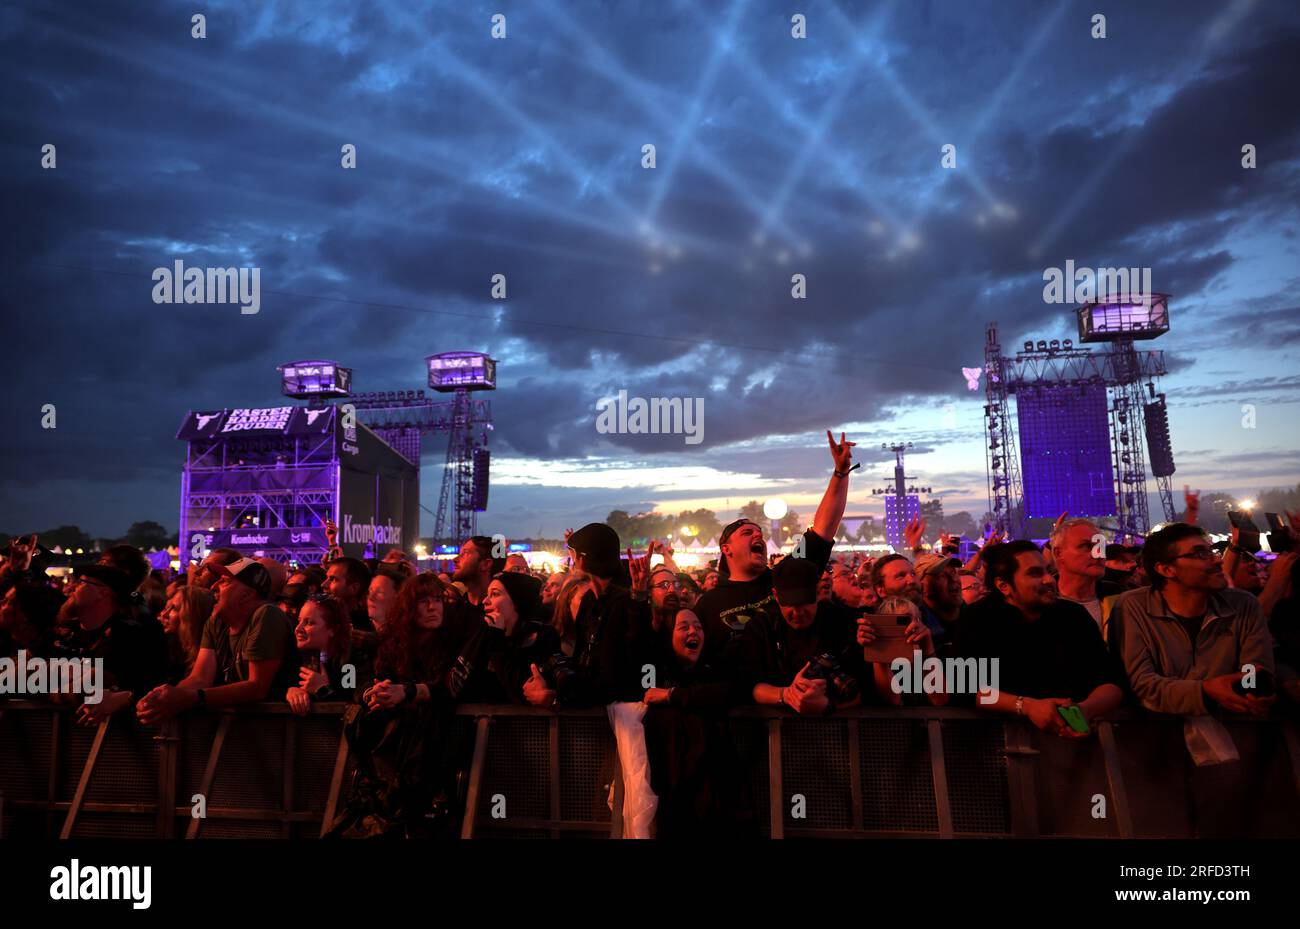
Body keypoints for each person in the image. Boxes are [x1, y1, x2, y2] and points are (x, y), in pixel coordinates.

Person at [695, 431, 857, 664]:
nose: (758, 535)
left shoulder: (787, 576)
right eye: (747, 533)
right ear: (726, 549)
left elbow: (823, 530)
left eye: (760, 532)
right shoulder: (709, 604)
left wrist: (840, 473)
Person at [329, 574, 472, 838]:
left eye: (438, 600)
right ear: (408, 608)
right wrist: (373, 692)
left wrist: (405, 692)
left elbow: (449, 689)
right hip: (386, 767)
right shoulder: (393, 645)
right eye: (423, 601)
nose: (432, 607)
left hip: (431, 761)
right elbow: (361, 679)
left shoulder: (455, 643)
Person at [959, 542, 1122, 735]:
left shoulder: (1073, 617)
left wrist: (1085, 710)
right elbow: (965, 689)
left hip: (1075, 748)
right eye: (1035, 573)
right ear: (1004, 585)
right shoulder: (978, 620)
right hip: (1000, 745)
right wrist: (1025, 706)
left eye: (1048, 570)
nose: (1049, 580)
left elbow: (1112, 683)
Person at [1114, 524, 1274, 718]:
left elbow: (1252, 668)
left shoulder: (1243, 605)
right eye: (1200, 555)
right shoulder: (1134, 607)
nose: (1217, 560)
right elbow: (1142, 685)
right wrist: (1205, 691)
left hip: (1235, 730)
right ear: (1166, 569)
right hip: (1163, 735)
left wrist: (1250, 690)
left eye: (1212, 551)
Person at [136, 558, 297, 724]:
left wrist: (190, 698)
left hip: (278, 730)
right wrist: (165, 697)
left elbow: (256, 687)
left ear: (247, 594)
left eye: (225, 581)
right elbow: (200, 678)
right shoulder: (217, 621)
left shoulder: (267, 615)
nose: (214, 586)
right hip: (246, 729)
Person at [642, 608, 750, 837]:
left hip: (716, 796)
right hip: (671, 794)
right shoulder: (654, 670)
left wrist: (673, 695)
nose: (693, 631)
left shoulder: (714, 667)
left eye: (698, 627)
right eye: (684, 627)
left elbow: (731, 691)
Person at [738, 555, 864, 716]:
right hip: (778, 729)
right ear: (776, 596)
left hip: (839, 725)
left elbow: (863, 688)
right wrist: (788, 695)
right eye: (790, 604)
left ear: (818, 593)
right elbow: (751, 685)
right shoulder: (761, 627)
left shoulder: (842, 622)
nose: (798, 612)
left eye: (804, 603)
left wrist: (827, 706)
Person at [55, 565, 168, 725]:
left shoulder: (134, 636)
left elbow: (151, 682)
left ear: (104, 592)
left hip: (113, 738)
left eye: (81, 582)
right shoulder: (65, 632)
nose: (71, 586)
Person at [555, 522, 651, 707]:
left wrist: (555, 697)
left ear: (582, 559)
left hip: (614, 714)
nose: (572, 561)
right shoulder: (589, 600)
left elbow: (615, 675)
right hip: (591, 703)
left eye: (574, 554)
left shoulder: (623, 603)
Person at [453, 572, 560, 705]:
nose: (485, 601)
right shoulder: (482, 633)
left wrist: (497, 641)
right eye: (487, 595)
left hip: (525, 723)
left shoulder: (543, 637)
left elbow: (519, 691)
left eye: (495, 594)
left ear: (517, 602)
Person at [1050, 518, 1123, 636]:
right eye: (1086, 546)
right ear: (1059, 553)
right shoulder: (1042, 604)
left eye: (1101, 547)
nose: (1099, 554)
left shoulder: (1117, 597)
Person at [286, 595, 354, 714]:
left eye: (309, 623)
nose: (298, 628)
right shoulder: (292, 659)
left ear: (333, 629)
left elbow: (351, 705)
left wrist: (322, 689)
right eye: (299, 621)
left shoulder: (349, 663)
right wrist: (290, 691)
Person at [158, 584, 215, 682]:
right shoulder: (172, 645)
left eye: (174, 608)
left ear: (192, 616)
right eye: (167, 607)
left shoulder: (207, 656)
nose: (164, 614)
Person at [450, 536, 506, 607]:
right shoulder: (453, 610)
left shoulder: (498, 614)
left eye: (465, 553)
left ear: (486, 564)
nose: (455, 559)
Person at [549, 571, 591, 656]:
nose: (590, 603)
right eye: (584, 598)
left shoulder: (592, 639)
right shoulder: (549, 640)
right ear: (568, 601)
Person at [366, 566, 405, 634]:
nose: (370, 598)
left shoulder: (406, 633)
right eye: (370, 591)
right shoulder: (354, 628)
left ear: (398, 597)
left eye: (379, 592)